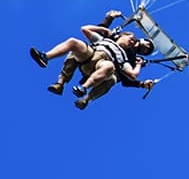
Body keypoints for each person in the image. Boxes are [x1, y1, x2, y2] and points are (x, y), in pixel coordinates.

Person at [29, 10, 157, 109]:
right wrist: (108, 20)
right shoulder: (107, 39)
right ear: (123, 35)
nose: (131, 42)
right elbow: (85, 29)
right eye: (131, 39)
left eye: (147, 49)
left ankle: (84, 91)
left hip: (103, 65)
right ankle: (46, 59)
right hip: (92, 54)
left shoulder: (128, 59)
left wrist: (139, 69)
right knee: (74, 42)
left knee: (110, 71)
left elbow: (130, 76)